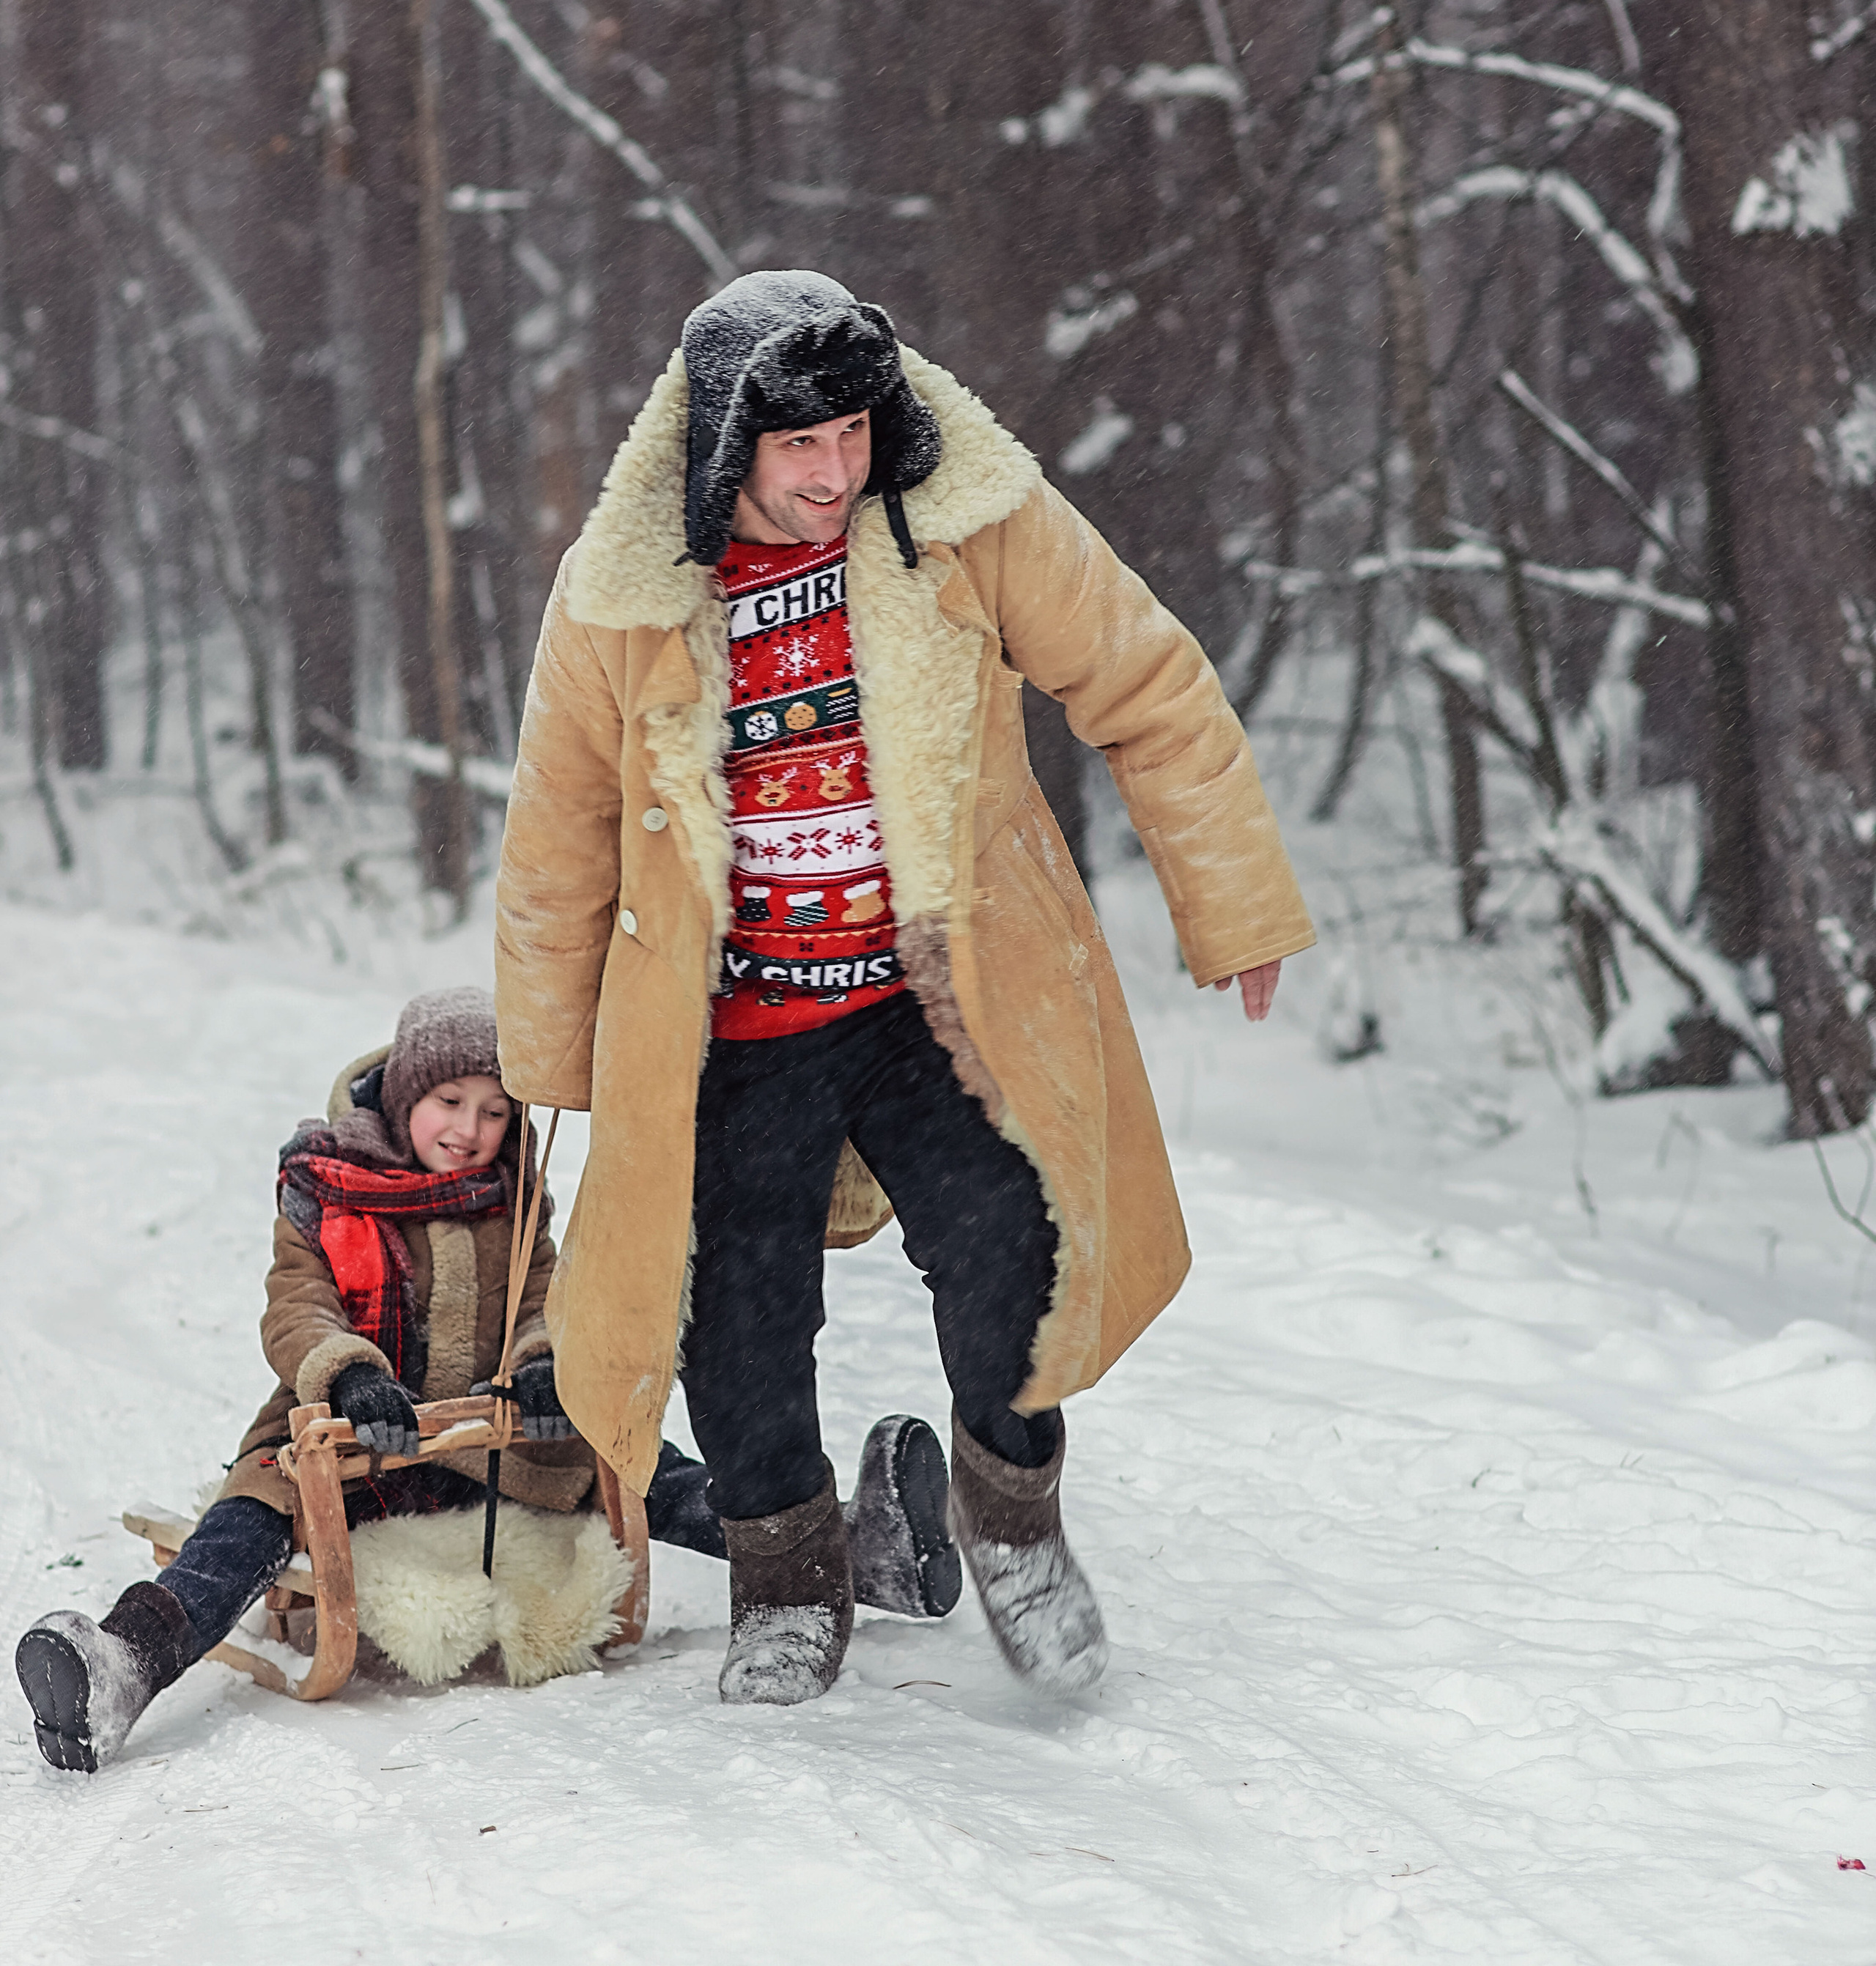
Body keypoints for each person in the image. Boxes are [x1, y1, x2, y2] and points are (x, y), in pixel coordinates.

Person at [495, 270, 1315, 1711]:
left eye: (853, 436)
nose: (832, 474)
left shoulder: (965, 523)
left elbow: (1143, 679)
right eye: (796, 448)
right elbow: (556, 827)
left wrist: (1231, 904)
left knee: (1016, 1243)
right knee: (739, 1315)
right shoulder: (622, 597)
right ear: (720, 447)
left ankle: (1011, 1521)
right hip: (733, 1017)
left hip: (931, 996)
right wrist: (556, 1062)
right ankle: (786, 1575)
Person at [15, 984, 957, 1774]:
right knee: (250, 1522)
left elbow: (547, 1293)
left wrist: (544, 1364)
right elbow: (295, 1308)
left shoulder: (511, 1196)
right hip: (353, 1434)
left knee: (647, 1468)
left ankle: (861, 1556)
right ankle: (127, 1661)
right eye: (449, 1103)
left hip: (487, 1434)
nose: (469, 1131)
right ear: (404, 1099)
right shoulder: (326, 1188)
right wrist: (347, 1378)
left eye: (494, 1110)